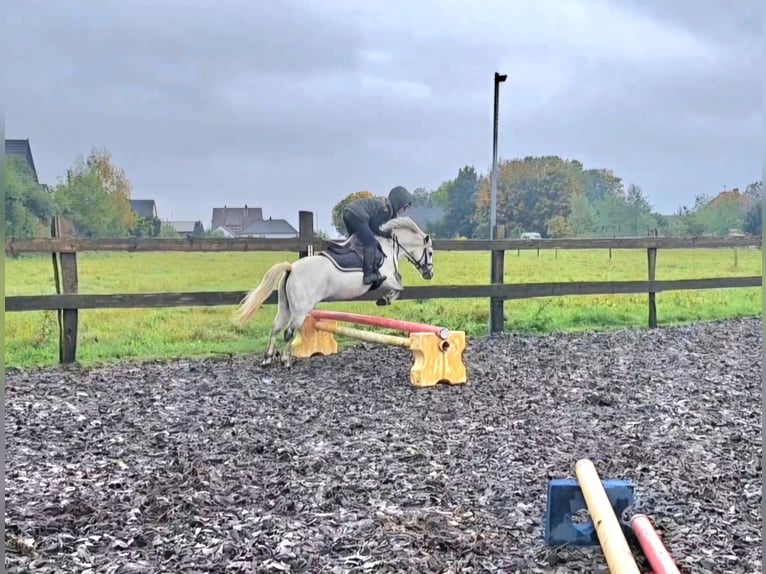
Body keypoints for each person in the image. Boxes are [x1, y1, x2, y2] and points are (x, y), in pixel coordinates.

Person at [342, 186, 413, 285]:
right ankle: (368, 275)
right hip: (358, 215)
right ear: (399, 203)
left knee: (357, 243)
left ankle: (351, 268)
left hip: (349, 212)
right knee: (371, 244)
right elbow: (374, 226)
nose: (404, 210)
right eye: (405, 207)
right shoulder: (387, 210)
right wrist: (387, 234)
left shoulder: (385, 205)